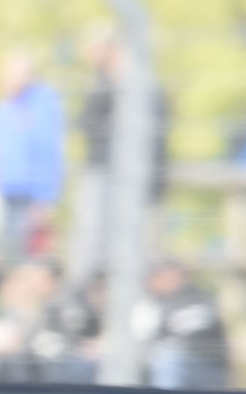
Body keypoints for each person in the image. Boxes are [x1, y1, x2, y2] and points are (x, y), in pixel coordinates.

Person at [66, 33, 171, 287]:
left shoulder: (141, 85)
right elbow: (88, 123)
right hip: (103, 171)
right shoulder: (102, 84)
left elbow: (153, 136)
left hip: (131, 178)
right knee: (93, 241)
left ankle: (126, 296)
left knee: (130, 244)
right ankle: (88, 298)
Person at [0, 53, 65, 263]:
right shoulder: (7, 105)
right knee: (6, 254)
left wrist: (44, 198)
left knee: (26, 257)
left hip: (29, 196)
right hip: (4, 191)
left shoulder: (41, 104)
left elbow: (48, 152)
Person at [133, 259, 229, 390]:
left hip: (205, 368)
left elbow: (185, 341)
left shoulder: (197, 300)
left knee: (169, 359)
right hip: (163, 366)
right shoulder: (152, 302)